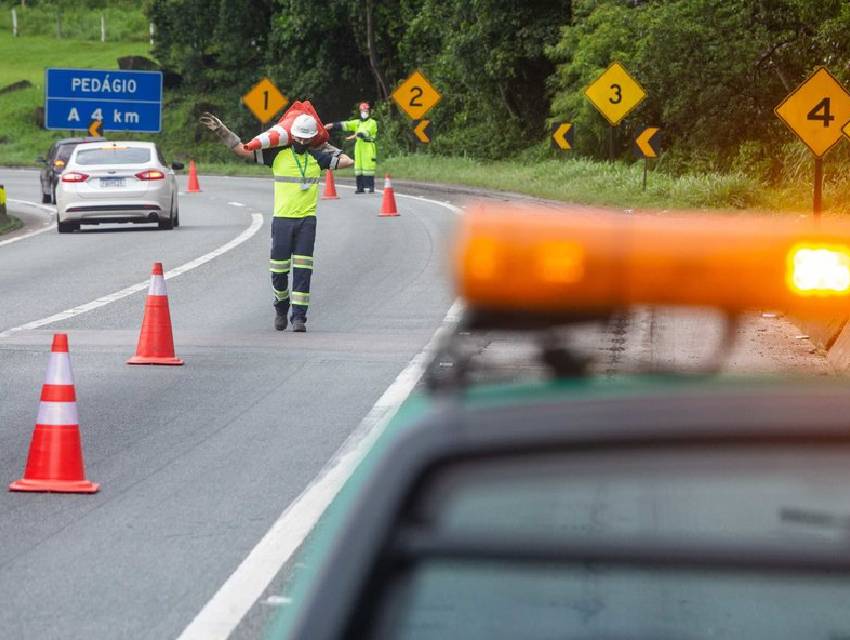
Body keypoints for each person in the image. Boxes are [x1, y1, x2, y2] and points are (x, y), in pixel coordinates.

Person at [200, 111, 354, 332]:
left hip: (306, 223)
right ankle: (281, 306)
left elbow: (348, 161)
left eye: (306, 138)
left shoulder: (316, 158)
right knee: (279, 272)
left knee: (302, 271)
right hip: (282, 221)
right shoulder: (277, 155)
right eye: (298, 137)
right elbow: (243, 151)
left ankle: (299, 317)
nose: (301, 141)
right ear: (292, 136)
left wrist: (323, 145)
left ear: (311, 139)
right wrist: (223, 132)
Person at [326, 102, 378, 193]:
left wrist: (357, 134)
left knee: (368, 167)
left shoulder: (372, 122)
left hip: (368, 146)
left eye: (366, 110)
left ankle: (371, 187)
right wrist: (333, 125)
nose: (364, 112)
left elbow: (367, 132)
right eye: (362, 110)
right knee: (358, 167)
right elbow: (346, 124)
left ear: (369, 111)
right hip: (359, 147)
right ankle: (360, 188)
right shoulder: (357, 123)